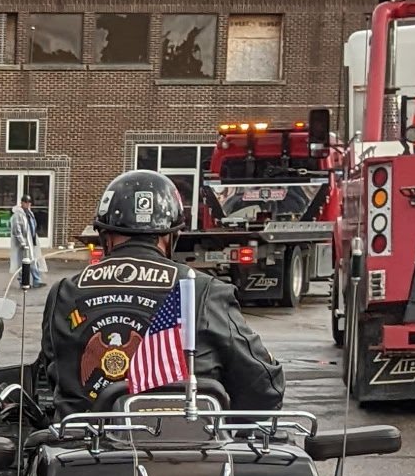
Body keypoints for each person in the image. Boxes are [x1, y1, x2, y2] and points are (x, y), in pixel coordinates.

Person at [34, 169, 284, 413]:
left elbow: (51, 373)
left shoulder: (64, 292)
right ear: (171, 235)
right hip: (187, 445)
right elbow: (262, 385)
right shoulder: (202, 288)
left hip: (85, 445)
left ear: (104, 234)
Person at [8, 193, 45, 291]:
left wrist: (33, 239)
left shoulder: (29, 213)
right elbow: (17, 230)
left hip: (30, 242)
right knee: (22, 264)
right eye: (26, 202)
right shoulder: (18, 215)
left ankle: (36, 280)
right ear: (22, 203)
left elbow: (32, 226)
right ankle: (22, 281)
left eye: (29, 202)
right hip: (23, 244)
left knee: (33, 261)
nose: (28, 204)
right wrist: (22, 243)